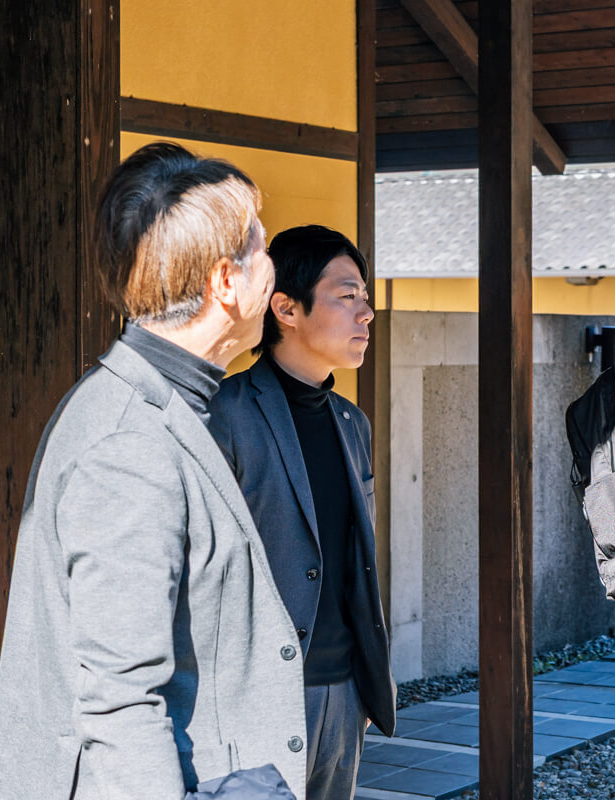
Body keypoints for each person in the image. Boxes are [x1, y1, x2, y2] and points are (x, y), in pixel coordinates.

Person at [0, 142, 312, 799]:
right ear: (223, 282)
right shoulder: (129, 444)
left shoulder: (159, 408)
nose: (271, 269)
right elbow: (120, 701)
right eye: (260, 248)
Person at [209, 225, 396, 800]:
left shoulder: (352, 422)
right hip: (255, 703)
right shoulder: (225, 414)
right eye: (347, 296)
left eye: (365, 297)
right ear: (285, 307)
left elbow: (352, 560)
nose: (366, 313)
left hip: (342, 696)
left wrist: (364, 688)